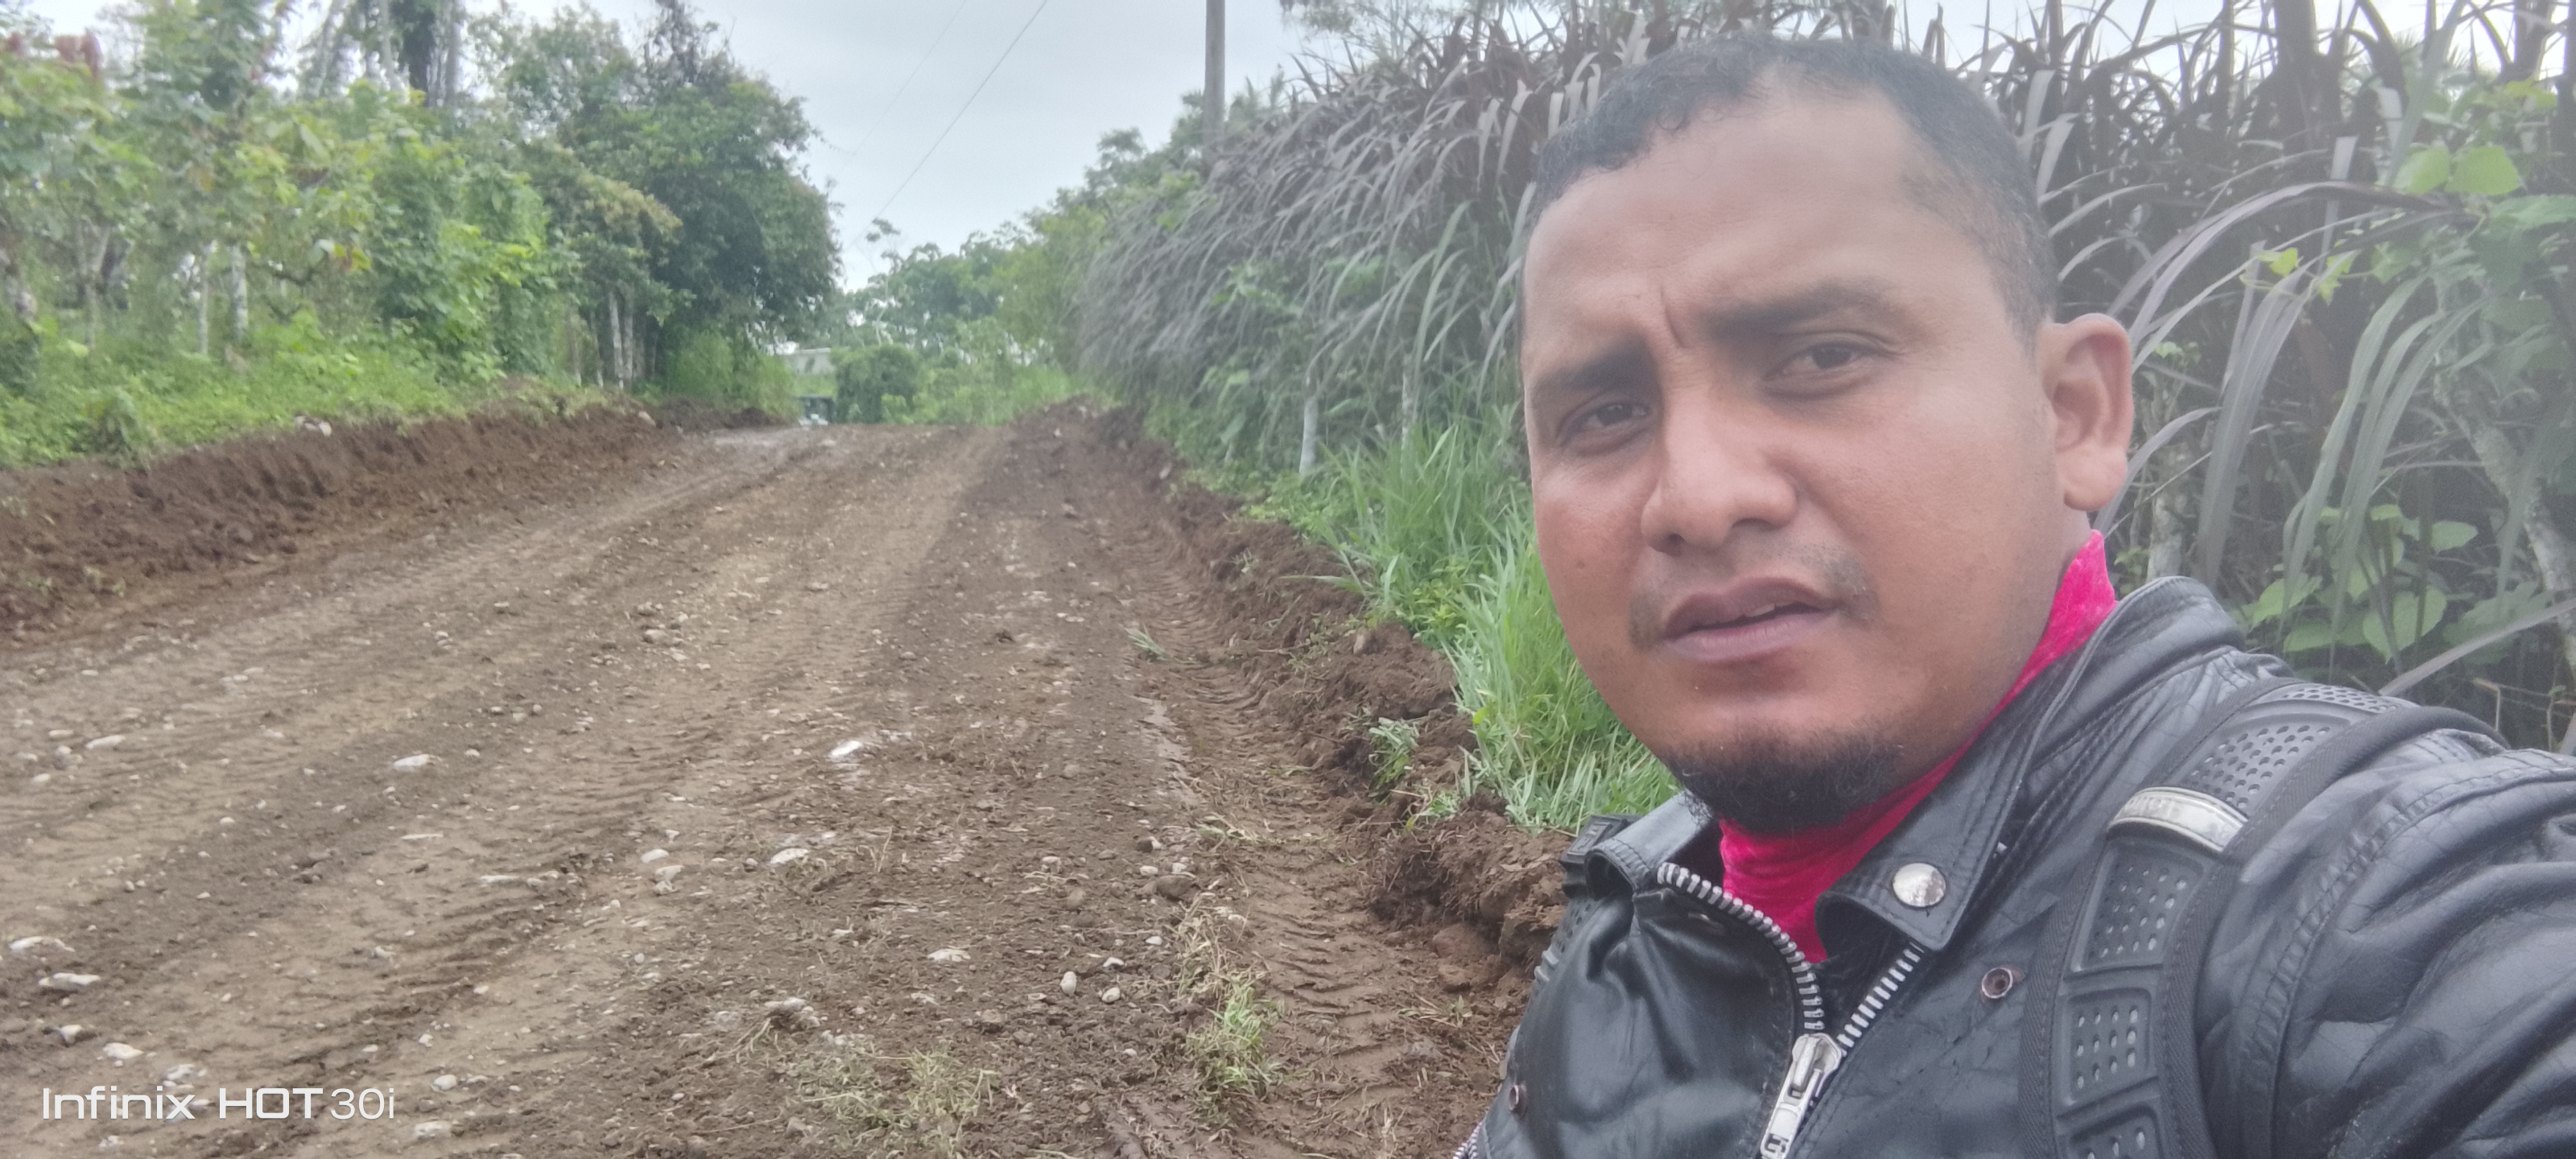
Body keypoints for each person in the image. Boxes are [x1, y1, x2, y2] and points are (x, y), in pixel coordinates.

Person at [1461, 33, 2576, 1159]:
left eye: (1822, 357)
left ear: (2072, 416)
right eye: (1605, 413)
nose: (1698, 498)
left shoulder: (2372, 900)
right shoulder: (1627, 921)